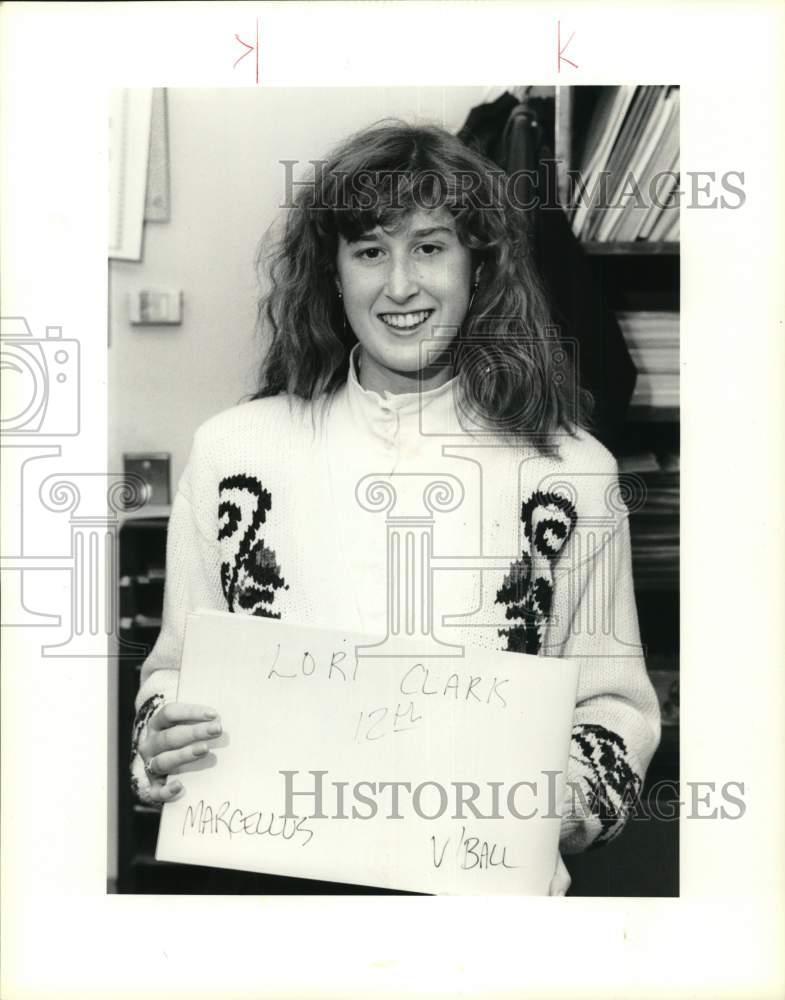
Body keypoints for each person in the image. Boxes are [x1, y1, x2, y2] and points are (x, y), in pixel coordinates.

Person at [130, 120, 661, 895]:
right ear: (333, 274)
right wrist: (161, 737)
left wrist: (563, 798)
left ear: (478, 268)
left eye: (430, 247)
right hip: (266, 891)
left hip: (481, 900)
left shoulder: (573, 473)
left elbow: (614, 705)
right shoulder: (232, 453)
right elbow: (172, 674)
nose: (400, 285)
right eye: (370, 250)